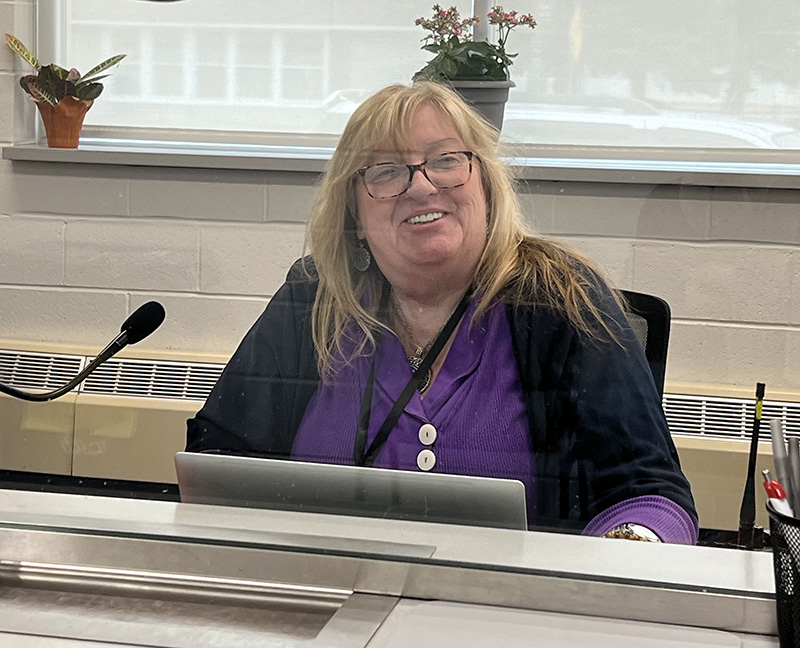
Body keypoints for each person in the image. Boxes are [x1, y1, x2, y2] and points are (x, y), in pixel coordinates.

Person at [186, 81, 697, 544]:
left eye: (447, 159)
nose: (422, 186)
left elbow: (650, 494)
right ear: (355, 218)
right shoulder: (313, 301)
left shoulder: (561, 299)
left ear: (486, 185)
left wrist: (626, 548)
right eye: (386, 172)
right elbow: (218, 463)